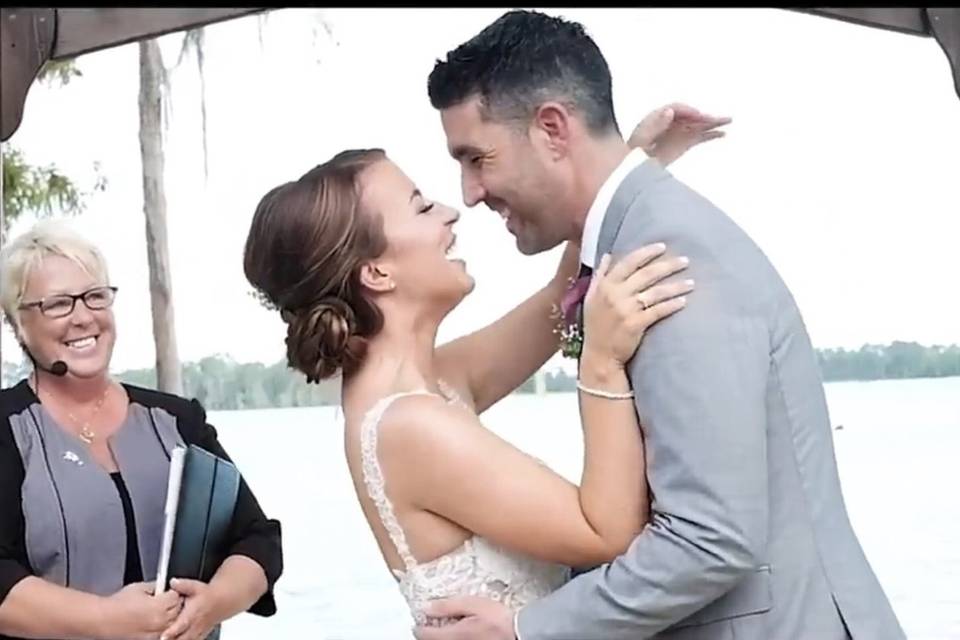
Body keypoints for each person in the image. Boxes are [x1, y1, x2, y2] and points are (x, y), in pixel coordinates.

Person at [414, 9, 905, 640]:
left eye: (477, 158)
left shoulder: (667, 262)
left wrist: (526, 630)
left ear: (553, 129)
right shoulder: (634, 241)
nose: (471, 192)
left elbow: (710, 540)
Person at [242, 101, 720, 629]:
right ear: (376, 272)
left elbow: (553, 304)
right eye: (422, 207)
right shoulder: (410, 426)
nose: (451, 212)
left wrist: (620, 170)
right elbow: (607, 533)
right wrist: (600, 365)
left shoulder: (430, 381)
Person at [0, 221, 283, 640]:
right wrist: (106, 621)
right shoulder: (7, 429)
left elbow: (258, 541)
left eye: (95, 296)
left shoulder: (177, 421)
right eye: (58, 304)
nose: (83, 317)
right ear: (16, 322)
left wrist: (212, 604)